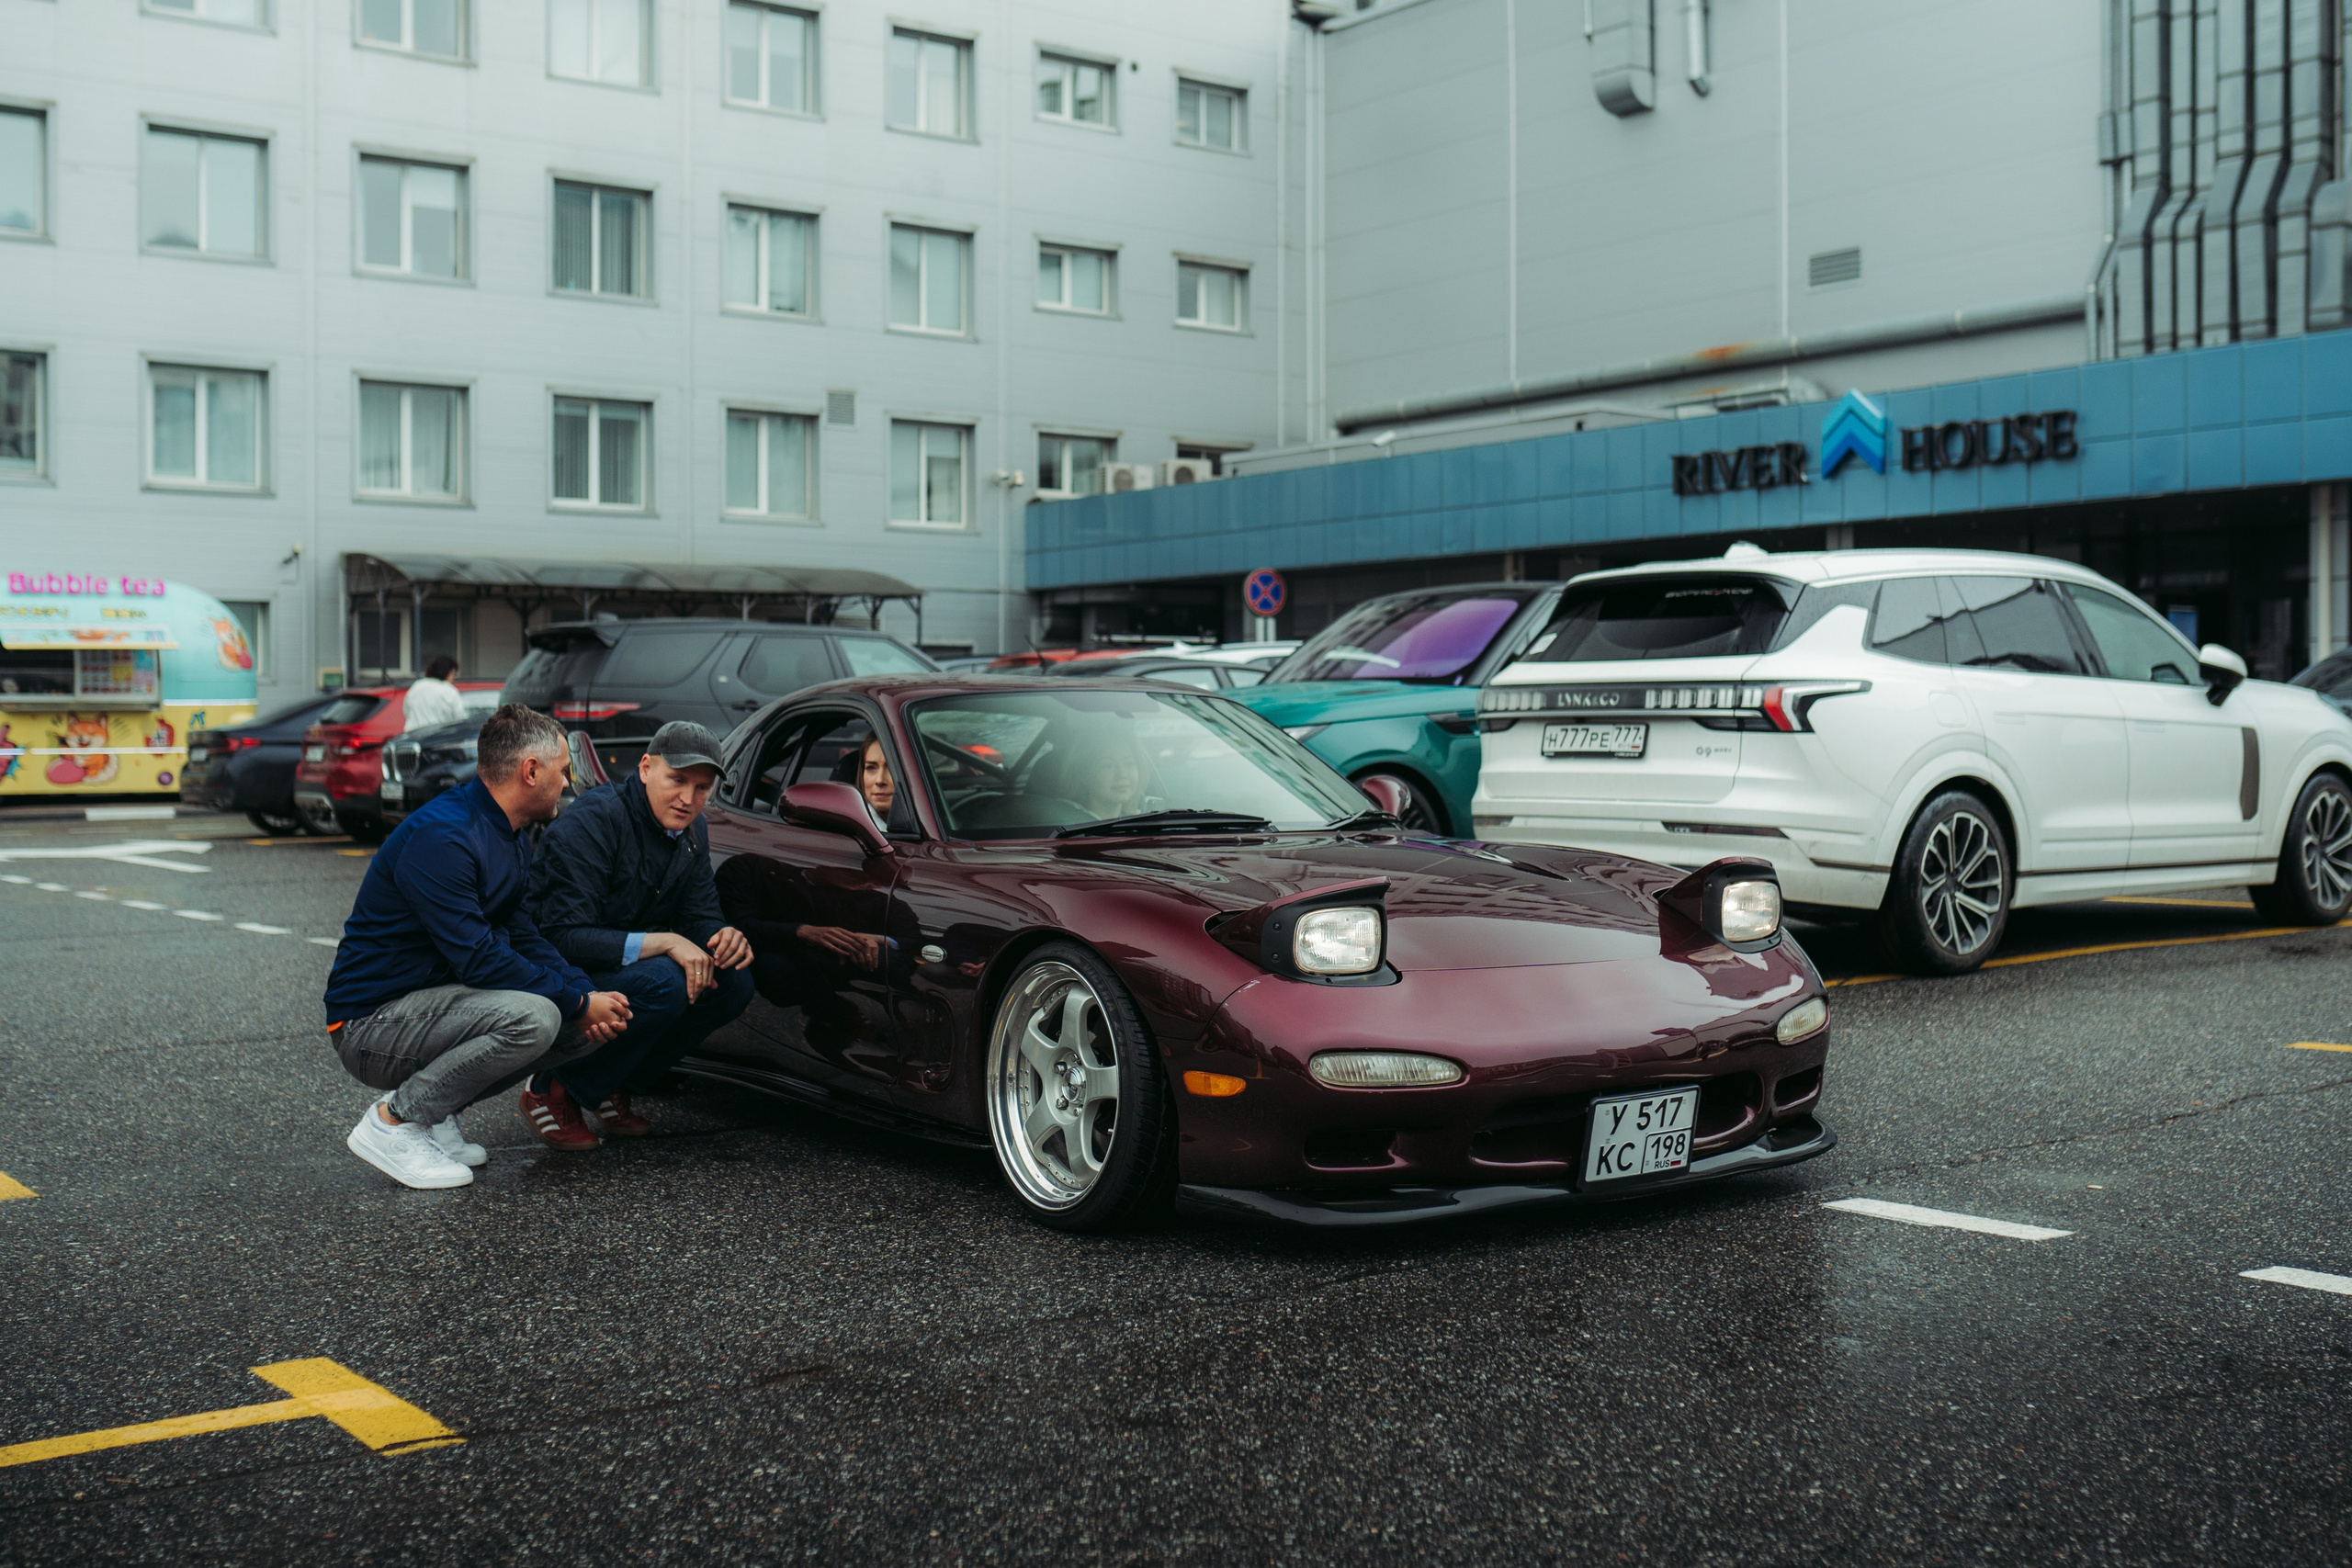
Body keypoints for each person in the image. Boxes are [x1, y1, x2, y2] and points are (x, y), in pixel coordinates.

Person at [325, 704, 633, 1190]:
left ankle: (435, 1113)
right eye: (563, 770)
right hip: (369, 1025)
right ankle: (395, 1122)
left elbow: (523, 933)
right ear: (531, 771)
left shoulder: (507, 833)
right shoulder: (443, 837)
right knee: (538, 1017)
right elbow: (479, 956)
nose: (569, 783)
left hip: (435, 1008)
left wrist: (583, 993)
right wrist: (573, 1001)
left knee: (577, 1026)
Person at [523, 721, 756, 1146]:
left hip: (621, 965)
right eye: (678, 780)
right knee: (664, 982)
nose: (688, 799)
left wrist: (722, 935)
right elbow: (560, 936)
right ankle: (551, 1088)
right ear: (646, 768)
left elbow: (700, 914)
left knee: (732, 982)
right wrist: (666, 943)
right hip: (561, 974)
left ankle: (614, 1080)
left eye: (702, 788)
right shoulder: (594, 821)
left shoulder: (692, 829)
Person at [403, 655, 468, 732]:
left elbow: (406, 711)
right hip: (437, 738)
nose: (453, 678)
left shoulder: (417, 686)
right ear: (448, 672)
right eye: (453, 674)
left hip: (413, 735)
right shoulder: (449, 691)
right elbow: (459, 718)